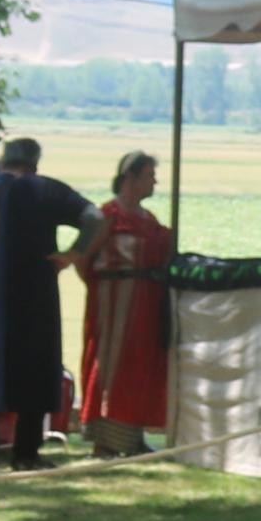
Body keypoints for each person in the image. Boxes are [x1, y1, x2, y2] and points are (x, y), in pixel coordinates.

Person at [0, 137, 95, 469]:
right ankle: (26, 453)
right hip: (36, 292)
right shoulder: (48, 190)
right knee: (36, 366)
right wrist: (74, 253)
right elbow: (95, 217)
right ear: (35, 161)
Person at [73, 151, 170, 458]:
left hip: (145, 302)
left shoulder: (148, 219)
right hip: (113, 303)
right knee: (111, 365)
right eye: (149, 176)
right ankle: (105, 439)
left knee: (140, 365)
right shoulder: (107, 217)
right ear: (131, 178)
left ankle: (132, 436)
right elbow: (82, 258)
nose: (154, 182)